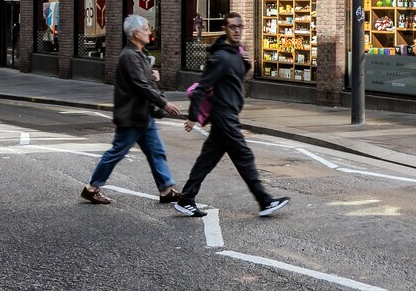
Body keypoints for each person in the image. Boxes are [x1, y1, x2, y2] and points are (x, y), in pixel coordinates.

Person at [173, 12, 288, 218]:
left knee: (206, 160)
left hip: (227, 115)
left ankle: (186, 199)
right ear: (225, 29)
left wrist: (247, 64)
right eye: (232, 27)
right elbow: (201, 88)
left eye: (239, 27)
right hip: (224, 115)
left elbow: (234, 80)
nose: (236, 31)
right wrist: (192, 117)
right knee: (244, 156)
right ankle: (265, 201)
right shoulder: (220, 57)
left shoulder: (236, 54)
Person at [79, 15, 182, 206]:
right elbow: (140, 85)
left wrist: (154, 77)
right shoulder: (129, 56)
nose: (149, 32)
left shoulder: (138, 54)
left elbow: (144, 81)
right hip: (132, 117)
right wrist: (164, 104)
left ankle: (166, 190)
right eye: (146, 29)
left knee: (156, 152)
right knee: (117, 152)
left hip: (144, 115)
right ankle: (91, 188)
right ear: (135, 34)